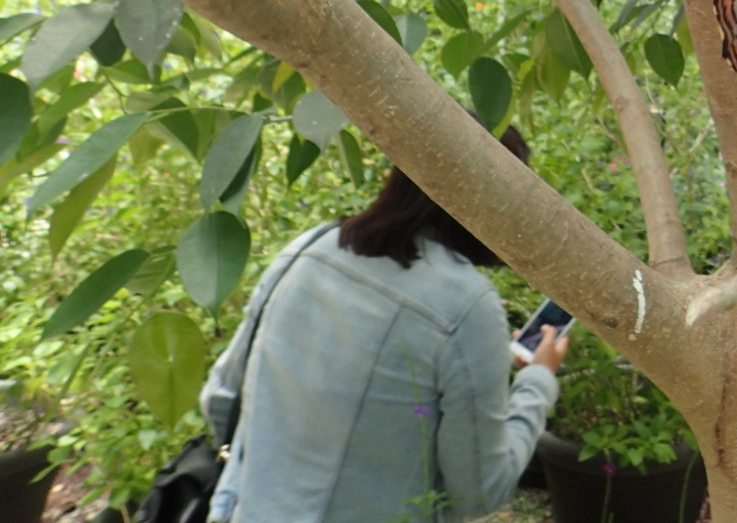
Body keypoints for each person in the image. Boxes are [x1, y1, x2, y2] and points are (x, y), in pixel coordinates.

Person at [200, 124, 566, 523]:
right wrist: (538, 382)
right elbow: (479, 492)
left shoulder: (309, 248)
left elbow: (220, 400)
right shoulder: (466, 307)